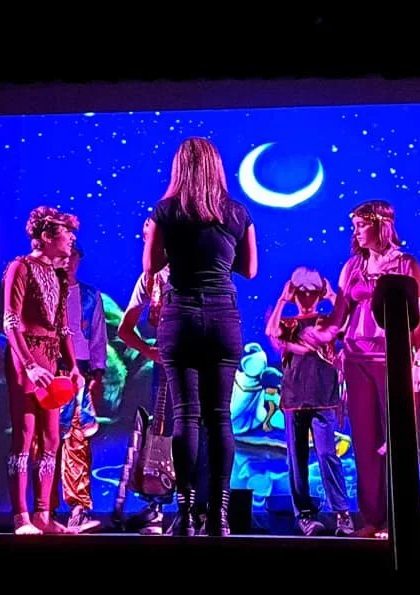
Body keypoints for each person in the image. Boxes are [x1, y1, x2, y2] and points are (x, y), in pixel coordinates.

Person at [143, 137, 258, 536]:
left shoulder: (165, 210)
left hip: (180, 314)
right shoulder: (237, 211)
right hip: (223, 314)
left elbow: (150, 267)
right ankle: (220, 515)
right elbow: (251, 269)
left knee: (185, 416)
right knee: (220, 416)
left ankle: (187, 512)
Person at [300, 200, 420, 538]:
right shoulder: (352, 267)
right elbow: (338, 319)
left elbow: (419, 320)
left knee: (395, 440)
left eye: (362, 223)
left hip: (392, 360)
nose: (355, 230)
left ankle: (398, 520)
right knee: (366, 443)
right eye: (354, 224)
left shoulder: (406, 264)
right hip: (356, 360)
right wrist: (317, 333)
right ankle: (372, 519)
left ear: (382, 224)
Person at [117, 217, 210, 535]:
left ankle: (198, 509)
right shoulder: (150, 279)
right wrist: (150, 351)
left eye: (154, 238)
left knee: (198, 433)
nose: (151, 244)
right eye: (147, 239)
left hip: (198, 363)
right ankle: (156, 506)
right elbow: (125, 330)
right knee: (163, 433)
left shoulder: (197, 272)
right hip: (167, 370)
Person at [2, 206, 85, 535]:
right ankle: (21, 516)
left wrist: (74, 367)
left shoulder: (60, 275)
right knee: (24, 435)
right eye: (67, 233)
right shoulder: (20, 267)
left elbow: (64, 328)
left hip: (51, 359)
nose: (72, 238)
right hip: (27, 358)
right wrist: (29, 364)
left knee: (51, 437)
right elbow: (10, 321)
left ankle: (43, 515)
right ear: (47, 237)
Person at [265, 267, 355, 537]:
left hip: (323, 399)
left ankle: (341, 514)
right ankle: (305, 515)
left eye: (311, 292)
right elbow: (271, 332)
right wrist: (283, 299)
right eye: (301, 293)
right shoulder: (290, 325)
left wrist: (330, 294)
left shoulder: (327, 322)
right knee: (298, 459)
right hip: (294, 399)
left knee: (328, 455)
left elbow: (347, 323)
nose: (306, 298)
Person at [51, 243, 104, 533]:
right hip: (50, 369)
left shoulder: (89, 296)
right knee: (46, 442)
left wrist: (97, 372)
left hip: (79, 372)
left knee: (78, 441)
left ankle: (78, 508)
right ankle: (42, 509)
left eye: (73, 258)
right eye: (64, 257)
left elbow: (97, 337)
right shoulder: (47, 292)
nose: (68, 262)